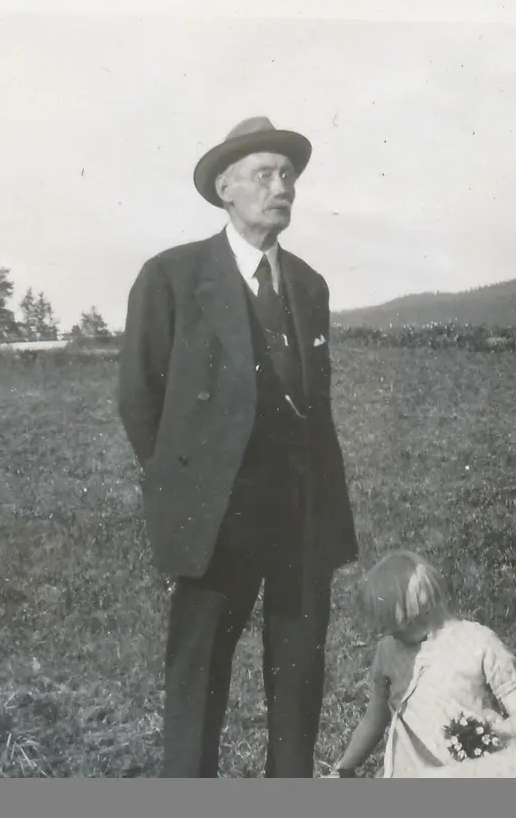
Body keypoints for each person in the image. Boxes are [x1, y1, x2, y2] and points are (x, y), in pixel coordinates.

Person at [118, 116, 359, 777]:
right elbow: (140, 398)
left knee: (298, 679)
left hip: (301, 519)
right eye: (264, 174)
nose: (280, 187)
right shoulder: (172, 278)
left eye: (288, 175)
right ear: (225, 187)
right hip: (215, 521)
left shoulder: (308, 286)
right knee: (197, 682)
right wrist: (186, 487)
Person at [329, 551, 516, 778]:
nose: (390, 635)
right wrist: (343, 768)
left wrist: (492, 732)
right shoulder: (388, 651)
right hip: (415, 772)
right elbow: (373, 721)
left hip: (476, 767)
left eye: (395, 626)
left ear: (418, 610)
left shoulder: (476, 641)